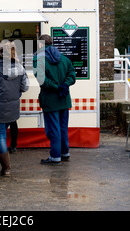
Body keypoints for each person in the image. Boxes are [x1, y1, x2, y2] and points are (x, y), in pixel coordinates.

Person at [0, 41, 29, 177]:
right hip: (13, 106)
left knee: (1, 135)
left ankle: (6, 167)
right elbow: (25, 87)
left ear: (0, 52)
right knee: (0, 133)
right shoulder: (20, 68)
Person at [33, 34, 76, 165]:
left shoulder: (37, 59)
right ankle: (65, 153)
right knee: (63, 127)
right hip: (64, 98)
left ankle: (55, 156)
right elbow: (72, 75)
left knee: (53, 129)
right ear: (51, 43)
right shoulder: (64, 59)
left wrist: (56, 87)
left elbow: (41, 79)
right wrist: (64, 86)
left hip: (50, 100)